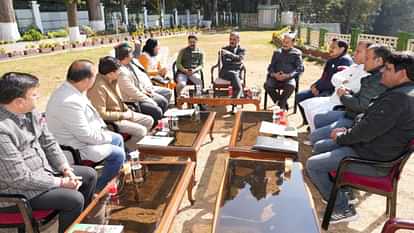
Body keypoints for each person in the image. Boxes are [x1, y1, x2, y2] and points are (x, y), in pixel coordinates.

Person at [306, 52, 414, 224]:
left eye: (388, 68)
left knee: (313, 165)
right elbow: (369, 121)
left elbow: (366, 131)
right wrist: (347, 130)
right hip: (372, 147)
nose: (382, 72)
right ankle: (343, 191)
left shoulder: (398, 98)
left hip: (373, 160)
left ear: (402, 74)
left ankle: (342, 208)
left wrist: (341, 137)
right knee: (319, 146)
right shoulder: (402, 92)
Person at [0, 72, 97, 233]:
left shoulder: (31, 112)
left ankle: (79, 224)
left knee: (89, 175)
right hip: (17, 192)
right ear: (19, 102)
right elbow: (19, 179)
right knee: (73, 199)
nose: (38, 97)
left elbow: (49, 142)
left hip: (43, 172)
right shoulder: (2, 130)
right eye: (34, 94)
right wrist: (60, 182)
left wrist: (65, 169)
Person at [46, 60, 126, 191]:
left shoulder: (72, 89)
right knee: (118, 154)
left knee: (118, 138)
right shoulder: (68, 101)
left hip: (84, 137)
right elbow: (85, 136)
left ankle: (115, 178)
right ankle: (99, 189)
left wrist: (105, 134)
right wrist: (107, 137)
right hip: (75, 146)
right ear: (87, 80)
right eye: (95, 76)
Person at [309, 44, 391, 153]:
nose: (364, 62)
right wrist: (350, 93)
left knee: (315, 140)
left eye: (367, 58)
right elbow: (364, 98)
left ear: (379, 61)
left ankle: (324, 152)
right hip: (350, 113)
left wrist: (343, 95)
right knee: (318, 118)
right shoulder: (372, 75)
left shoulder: (379, 80)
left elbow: (361, 106)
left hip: (354, 119)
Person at [300, 41, 372, 131]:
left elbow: (352, 88)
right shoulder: (355, 66)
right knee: (308, 104)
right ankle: (312, 128)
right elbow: (335, 77)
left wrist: (343, 84)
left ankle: (315, 131)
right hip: (335, 96)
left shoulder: (366, 71)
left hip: (341, 103)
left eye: (358, 51)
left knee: (315, 112)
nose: (354, 53)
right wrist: (342, 82)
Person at [87, 56, 153, 150]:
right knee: (141, 131)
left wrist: (127, 111)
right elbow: (101, 114)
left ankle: (132, 148)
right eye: (118, 71)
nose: (120, 73)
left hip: (123, 113)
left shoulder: (113, 80)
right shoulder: (98, 88)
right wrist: (123, 115)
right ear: (110, 73)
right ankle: (127, 152)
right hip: (111, 121)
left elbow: (119, 101)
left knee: (149, 120)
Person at [297, 38, 353, 124]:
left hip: (333, 92)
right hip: (322, 88)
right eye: (330, 46)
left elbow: (336, 82)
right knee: (300, 96)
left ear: (342, 49)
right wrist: (314, 85)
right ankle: (307, 121)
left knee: (315, 102)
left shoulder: (345, 61)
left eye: (333, 47)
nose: (330, 49)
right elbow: (324, 77)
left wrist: (319, 89)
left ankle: (315, 123)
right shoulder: (331, 59)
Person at [115, 43, 167, 124]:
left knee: (163, 101)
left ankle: (160, 125)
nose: (133, 55)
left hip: (141, 93)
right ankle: (154, 130)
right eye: (131, 54)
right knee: (157, 111)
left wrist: (144, 91)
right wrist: (149, 100)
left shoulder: (129, 64)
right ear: (126, 56)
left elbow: (137, 83)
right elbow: (132, 92)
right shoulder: (121, 72)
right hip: (132, 101)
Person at [264, 32, 304, 110]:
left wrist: (288, 75)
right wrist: (274, 74)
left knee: (291, 86)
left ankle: (281, 105)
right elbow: (271, 67)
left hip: (288, 77)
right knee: (267, 85)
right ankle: (282, 104)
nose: (284, 44)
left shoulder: (297, 53)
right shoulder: (277, 52)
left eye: (287, 42)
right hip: (276, 77)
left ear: (293, 43)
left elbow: (300, 68)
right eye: (284, 42)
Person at [220, 31, 246, 98]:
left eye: (234, 39)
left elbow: (240, 59)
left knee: (235, 74)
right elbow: (225, 63)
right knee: (234, 74)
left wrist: (229, 54)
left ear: (238, 40)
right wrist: (236, 61)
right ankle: (240, 92)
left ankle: (234, 101)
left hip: (237, 73)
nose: (231, 41)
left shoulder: (242, 50)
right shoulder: (224, 49)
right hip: (225, 72)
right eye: (230, 39)